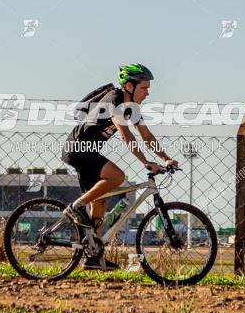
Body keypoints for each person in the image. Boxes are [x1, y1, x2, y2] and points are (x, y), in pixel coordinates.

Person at [61, 63, 178, 270]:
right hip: (78, 149)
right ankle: (75, 208)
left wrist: (166, 158)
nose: (148, 93)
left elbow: (146, 136)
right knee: (116, 176)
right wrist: (146, 162)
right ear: (130, 86)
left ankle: (94, 257)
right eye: (144, 88)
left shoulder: (132, 108)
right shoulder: (114, 100)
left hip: (88, 151)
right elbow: (126, 135)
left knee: (100, 203)